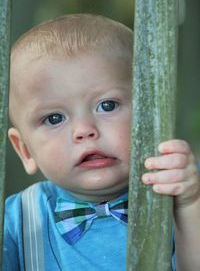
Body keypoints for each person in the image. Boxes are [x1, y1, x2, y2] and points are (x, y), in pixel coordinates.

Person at [3, 14, 200, 271]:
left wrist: (189, 205)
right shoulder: (19, 220)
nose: (84, 131)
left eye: (107, 105)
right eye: (54, 118)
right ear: (25, 150)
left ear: (151, 114)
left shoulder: (183, 187)